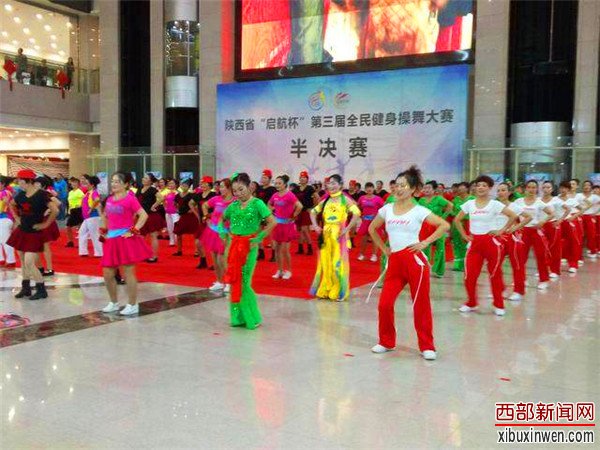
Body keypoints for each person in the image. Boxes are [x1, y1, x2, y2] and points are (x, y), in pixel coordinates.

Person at [368, 166, 449, 360]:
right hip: (395, 262)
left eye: (403, 185)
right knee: (384, 304)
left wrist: (425, 242)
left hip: (415, 261)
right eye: (397, 185)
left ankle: (427, 346)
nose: (399, 189)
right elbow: (372, 228)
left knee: (420, 305)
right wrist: (384, 249)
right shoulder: (387, 209)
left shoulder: (419, 210)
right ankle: (386, 341)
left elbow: (444, 225)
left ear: (413, 189)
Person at [453, 175, 518, 316]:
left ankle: (498, 304)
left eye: (484, 185)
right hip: (475, 243)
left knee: (495, 274)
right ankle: (471, 302)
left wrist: (501, 230)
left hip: (492, 243)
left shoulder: (495, 204)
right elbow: (457, 220)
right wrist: (464, 235)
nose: (481, 188)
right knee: (469, 276)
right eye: (478, 185)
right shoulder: (470, 204)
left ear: (489, 188)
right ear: (475, 188)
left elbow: (513, 216)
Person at [222, 172, 276, 329]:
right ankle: (238, 318)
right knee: (234, 281)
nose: (238, 193)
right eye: (235, 191)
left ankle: (252, 317)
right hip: (233, 246)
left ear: (249, 187)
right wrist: (223, 233)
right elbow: (221, 219)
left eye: (241, 189)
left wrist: (259, 238)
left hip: (248, 246)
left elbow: (272, 222)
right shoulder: (233, 206)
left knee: (244, 282)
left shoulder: (258, 204)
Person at [100, 172, 152, 315]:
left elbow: (144, 215)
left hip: (125, 239)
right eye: (112, 181)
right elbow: (105, 215)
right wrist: (104, 229)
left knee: (128, 272)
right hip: (111, 239)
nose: (113, 184)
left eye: (117, 181)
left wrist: (134, 230)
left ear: (126, 184)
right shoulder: (109, 199)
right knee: (107, 273)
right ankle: (113, 302)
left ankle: (132, 304)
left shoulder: (130, 199)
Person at [309, 174, 362, 302]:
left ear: (340, 185)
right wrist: (315, 226)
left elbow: (357, 213)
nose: (331, 186)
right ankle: (325, 290)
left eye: (334, 183)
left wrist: (347, 229)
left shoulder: (345, 199)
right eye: (329, 183)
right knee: (325, 263)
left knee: (337, 264)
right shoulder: (326, 200)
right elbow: (313, 212)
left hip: (339, 236)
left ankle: (340, 291)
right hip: (325, 235)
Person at [7, 170, 58, 300]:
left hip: (35, 232)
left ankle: (41, 289)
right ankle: (26, 288)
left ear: (29, 181)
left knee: (29, 261)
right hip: (22, 230)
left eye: (20, 180)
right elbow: (11, 204)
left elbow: (55, 209)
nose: (18, 183)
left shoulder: (42, 194)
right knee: (23, 261)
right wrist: (16, 218)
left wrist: (46, 224)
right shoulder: (20, 194)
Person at [512, 180, 554, 290]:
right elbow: (512, 215)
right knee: (521, 257)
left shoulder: (539, 202)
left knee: (541, 256)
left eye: (534, 187)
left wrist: (542, 221)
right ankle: (521, 279)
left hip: (536, 231)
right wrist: (516, 225)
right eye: (529, 187)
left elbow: (551, 214)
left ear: (537, 189)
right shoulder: (518, 202)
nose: (531, 190)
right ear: (525, 189)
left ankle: (544, 280)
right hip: (523, 232)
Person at [495, 182, 532, 302]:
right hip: (498, 238)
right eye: (498, 190)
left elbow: (528, 217)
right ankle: (500, 289)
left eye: (503, 190)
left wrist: (516, 227)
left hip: (512, 238)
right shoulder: (494, 205)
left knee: (517, 265)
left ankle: (518, 291)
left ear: (509, 192)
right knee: (495, 265)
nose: (500, 193)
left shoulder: (514, 206)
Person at [201, 179, 234, 292]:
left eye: (223, 186)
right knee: (214, 258)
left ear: (229, 188)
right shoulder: (216, 199)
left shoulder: (235, 202)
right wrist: (206, 217)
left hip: (226, 233)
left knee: (222, 258)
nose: (220, 189)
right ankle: (219, 281)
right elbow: (204, 205)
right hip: (213, 231)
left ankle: (229, 282)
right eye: (220, 186)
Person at [268, 174, 302, 279]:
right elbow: (269, 204)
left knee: (285, 250)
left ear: (285, 184)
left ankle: (289, 271)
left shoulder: (290, 195)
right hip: (277, 225)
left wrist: (293, 216)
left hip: (287, 226)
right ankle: (279, 270)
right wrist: (271, 212)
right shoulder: (275, 195)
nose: (277, 185)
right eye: (276, 183)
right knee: (277, 249)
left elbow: (300, 206)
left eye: (279, 183)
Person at [417, 180, 453, 277]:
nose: (426, 190)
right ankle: (425, 268)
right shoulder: (421, 200)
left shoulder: (438, 199)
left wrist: (443, 217)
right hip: (425, 227)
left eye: (429, 188)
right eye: (425, 188)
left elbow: (450, 205)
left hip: (438, 227)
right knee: (424, 247)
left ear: (434, 190)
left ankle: (439, 271)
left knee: (440, 248)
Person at [540, 181, 570, 277]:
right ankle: (544, 269)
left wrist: (560, 220)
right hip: (541, 225)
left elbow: (568, 209)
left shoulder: (556, 200)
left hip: (553, 225)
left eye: (548, 187)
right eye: (544, 187)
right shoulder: (538, 200)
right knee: (542, 248)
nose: (546, 189)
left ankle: (555, 270)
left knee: (555, 248)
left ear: (552, 189)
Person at [35, 176, 61, 276]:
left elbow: (58, 202)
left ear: (43, 185)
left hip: (45, 222)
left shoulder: (45, 194)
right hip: (37, 221)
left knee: (45, 246)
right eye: (35, 183)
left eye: (37, 183)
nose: (35, 185)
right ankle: (40, 267)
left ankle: (50, 269)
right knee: (36, 246)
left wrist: (48, 210)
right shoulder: (35, 194)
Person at [190, 176, 216, 267]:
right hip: (203, 221)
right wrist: (197, 215)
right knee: (198, 242)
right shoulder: (198, 195)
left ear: (209, 185)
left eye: (205, 183)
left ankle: (215, 263)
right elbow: (191, 203)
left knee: (213, 243)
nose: (203, 185)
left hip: (212, 222)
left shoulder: (214, 195)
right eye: (202, 183)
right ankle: (203, 260)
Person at [558, 181, 583, 274]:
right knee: (556, 243)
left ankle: (573, 265)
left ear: (568, 189)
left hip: (569, 222)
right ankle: (553, 266)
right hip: (558, 222)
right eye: (561, 188)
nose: (563, 190)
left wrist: (574, 216)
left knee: (572, 243)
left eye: (565, 188)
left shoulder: (572, 200)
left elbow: (581, 209)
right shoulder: (555, 199)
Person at [137, 173, 163, 263]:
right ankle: (143, 254)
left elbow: (161, 198)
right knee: (140, 236)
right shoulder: (139, 189)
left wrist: (154, 206)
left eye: (146, 178)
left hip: (151, 216)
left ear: (150, 181)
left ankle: (154, 256)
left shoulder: (153, 189)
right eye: (143, 177)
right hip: (141, 216)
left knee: (153, 236)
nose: (143, 179)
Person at [356, 182, 384, 262]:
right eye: (367, 187)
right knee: (364, 238)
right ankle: (361, 254)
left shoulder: (378, 199)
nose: (369, 189)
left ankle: (374, 255)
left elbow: (384, 208)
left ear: (373, 188)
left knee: (375, 238)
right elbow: (358, 207)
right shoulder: (361, 198)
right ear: (365, 189)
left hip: (375, 222)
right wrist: (361, 215)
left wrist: (380, 218)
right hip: (365, 221)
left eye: (371, 187)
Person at [292, 171, 318, 256]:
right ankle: (300, 248)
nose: (302, 179)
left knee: (305, 230)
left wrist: (313, 208)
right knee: (299, 230)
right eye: (301, 177)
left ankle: (310, 248)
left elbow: (317, 197)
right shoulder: (296, 188)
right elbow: (292, 198)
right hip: (298, 212)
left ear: (307, 179)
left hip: (306, 211)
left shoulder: (310, 188)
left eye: (304, 177)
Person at [449, 182, 473, 271]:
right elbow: (452, 210)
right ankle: (458, 265)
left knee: (467, 244)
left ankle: (468, 265)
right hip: (457, 224)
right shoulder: (456, 199)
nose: (460, 190)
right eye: (459, 188)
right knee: (457, 244)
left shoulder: (472, 199)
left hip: (468, 223)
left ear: (467, 189)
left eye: (462, 188)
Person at [78, 175, 103, 258]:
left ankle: (99, 253)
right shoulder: (88, 193)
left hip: (93, 217)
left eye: (87, 183)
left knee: (95, 235)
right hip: (87, 218)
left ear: (92, 185)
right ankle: (83, 252)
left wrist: (91, 209)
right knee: (82, 233)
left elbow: (97, 200)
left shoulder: (94, 192)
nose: (85, 185)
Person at [172, 179, 198, 256]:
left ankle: (197, 251)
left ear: (189, 187)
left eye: (186, 186)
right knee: (178, 232)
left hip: (191, 216)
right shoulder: (177, 195)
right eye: (182, 185)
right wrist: (177, 209)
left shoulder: (192, 195)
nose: (184, 187)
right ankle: (179, 250)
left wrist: (192, 210)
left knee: (195, 233)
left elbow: (196, 204)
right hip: (182, 216)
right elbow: (175, 203)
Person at [255, 169, 277, 260]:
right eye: (262, 177)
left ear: (269, 179)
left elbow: (275, 202)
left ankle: (274, 254)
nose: (263, 179)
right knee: (258, 233)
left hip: (269, 214)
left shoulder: (273, 189)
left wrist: (271, 210)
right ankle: (261, 252)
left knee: (271, 235)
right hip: (259, 214)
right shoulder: (259, 189)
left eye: (265, 178)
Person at [575, 180, 600, 259]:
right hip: (580, 216)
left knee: (591, 234)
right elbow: (574, 204)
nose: (586, 187)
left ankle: (592, 251)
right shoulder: (578, 195)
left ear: (591, 187)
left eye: (588, 185)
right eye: (585, 185)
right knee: (580, 235)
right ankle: (579, 253)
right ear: (582, 186)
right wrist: (578, 212)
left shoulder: (595, 196)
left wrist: (595, 212)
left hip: (590, 216)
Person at [0, 176, 16, 268]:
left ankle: (11, 261)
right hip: (4, 218)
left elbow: (5, 205)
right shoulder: (7, 192)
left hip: (4, 218)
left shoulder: (4, 192)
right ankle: (1, 260)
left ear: (3, 184)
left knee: (5, 240)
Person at [158, 179, 179, 247]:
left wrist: (178, 209)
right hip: (168, 212)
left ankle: (177, 241)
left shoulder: (178, 193)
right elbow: (163, 200)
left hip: (175, 213)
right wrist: (165, 207)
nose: (170, 185)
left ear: (176, 185)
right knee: (170, 227)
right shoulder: (167, 193)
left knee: (176, 227)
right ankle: (171, 241)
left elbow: (180, 203)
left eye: (172, 183)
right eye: (169, 183)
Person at [65, 177, 85, 247]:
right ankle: (70, 241)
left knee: (80, 227)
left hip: (78, 210)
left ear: (78, 184)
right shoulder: (70, 192)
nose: (73, 184)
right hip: (72, 211)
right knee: (68, 226)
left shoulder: (79, 192)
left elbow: (84, 200)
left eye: (75, 182)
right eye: (72, 182)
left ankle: (80, 243)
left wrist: (79, 205)